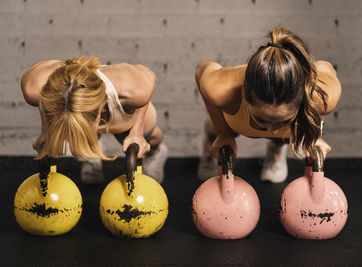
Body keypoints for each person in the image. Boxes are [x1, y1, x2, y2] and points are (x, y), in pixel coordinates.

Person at [196, 26, 341, 183]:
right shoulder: (223, 91)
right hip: (235, 122)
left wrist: (314, 134)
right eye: (263, 120)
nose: (272, 129)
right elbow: (201, 70)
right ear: (246, 96)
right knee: (213, 129)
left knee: (285, 134)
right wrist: (223, 133)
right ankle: (211, 146)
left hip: (293, 125)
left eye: (284, 120)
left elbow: (324, 67)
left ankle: (277, 147)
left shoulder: (322, 97)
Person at [20, 56, 168, 184]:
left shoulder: (133, 89)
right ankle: (91, 153)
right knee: (67, 130)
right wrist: (46, 131)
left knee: (150, 136)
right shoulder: (33, 89)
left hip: (125, 115)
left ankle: (157, 152)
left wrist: (137, 132)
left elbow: (149, 75)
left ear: (99, 114)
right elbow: (45, 102)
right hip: (75, 105)